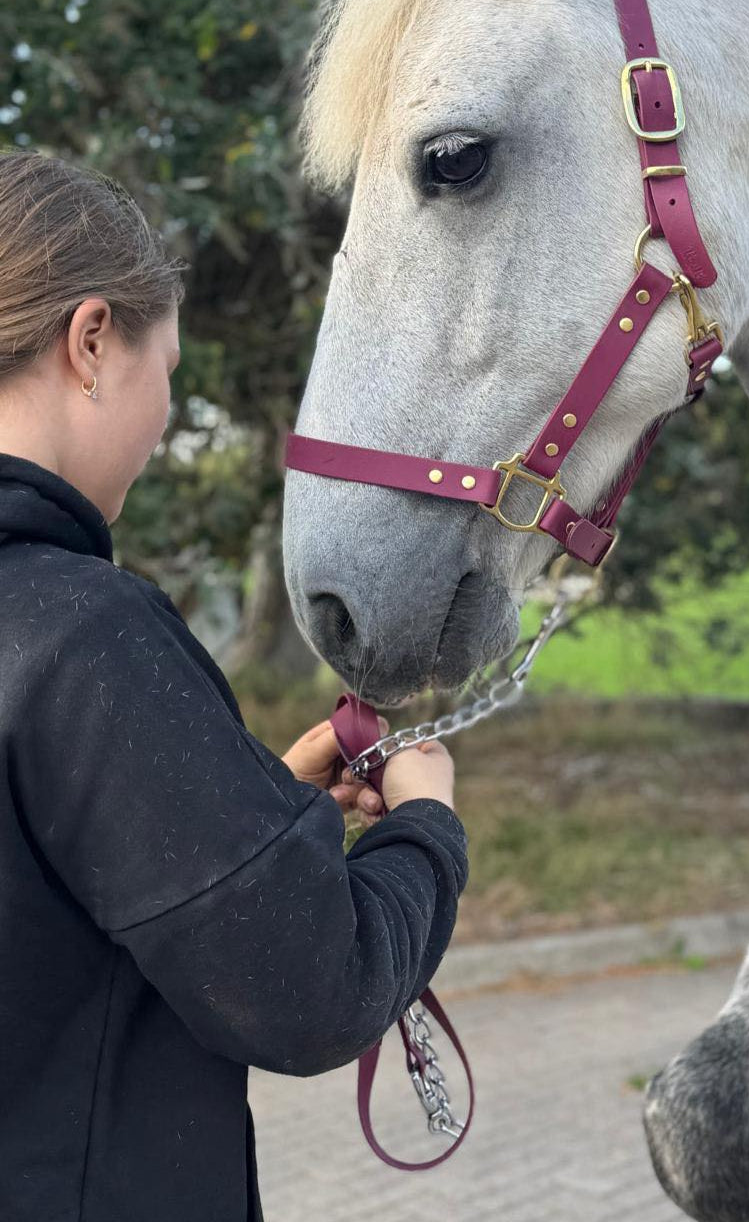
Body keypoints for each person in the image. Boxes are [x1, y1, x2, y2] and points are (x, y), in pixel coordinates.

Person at [0, 151, 469, 1222]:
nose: (166, 424)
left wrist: (265, 824)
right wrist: (428, 828)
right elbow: (314, 987)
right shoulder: (82, 635)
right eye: (168, 368)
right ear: (90, 343)